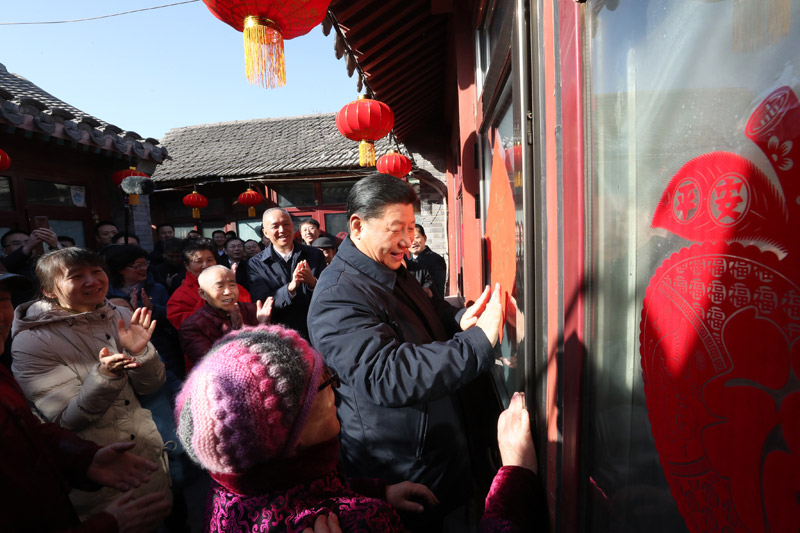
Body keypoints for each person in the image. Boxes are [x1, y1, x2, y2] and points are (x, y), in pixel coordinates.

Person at [175, 326, 543, 533]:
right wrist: (514, 478)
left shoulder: (233, 490)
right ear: (294, 435)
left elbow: (295, 491)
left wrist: (378, 491)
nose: (334, 388)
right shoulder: (356, 523)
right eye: (323, 383)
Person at [307, 173, 504, 531]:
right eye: (397, 228)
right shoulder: (338, 294)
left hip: (441, 447)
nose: (408, 240)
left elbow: (425, 314)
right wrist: (478, 343)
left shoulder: (390, 267)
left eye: (412, 228)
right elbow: (387, 374)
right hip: (404, 466)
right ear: (357, 226)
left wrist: (459, 320)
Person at [10, 247, 172, 522]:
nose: (92, 281)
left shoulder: (115, 313)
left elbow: (151, 385)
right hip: (97, 471)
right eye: (77, 276)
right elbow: (65, 420)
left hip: (144, 454)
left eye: (96, 271)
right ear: (49, 290)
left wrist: (141, 352)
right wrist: (105, 378)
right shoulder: (32, 341)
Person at [248, 208, 326, 339]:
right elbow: (262, 302)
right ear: (265, 233)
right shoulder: (256, 263)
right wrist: (291, 287)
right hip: (279, 333)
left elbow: (329, 292)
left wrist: (312, 282)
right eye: (275, 226)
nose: (282, 230)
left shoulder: (314, 254)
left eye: (286, 224)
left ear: (293, 226)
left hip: (315, 329)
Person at [179, 265, 273, 370]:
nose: (228, 292)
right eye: (220, 286)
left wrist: (264, 326)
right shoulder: (192, 326)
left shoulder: (254, 311)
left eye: (232, 285)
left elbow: (272, 351)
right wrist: (236, 333)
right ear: (202, 294)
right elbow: (210, 365)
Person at [167, 240, 251, 330]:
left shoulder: (235, 288)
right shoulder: (180, 296)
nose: (205, 265)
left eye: (210, 260)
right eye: (199, 261)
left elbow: (249, 312)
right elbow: (187, 326)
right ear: (187, 265)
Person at [1, 228, 61, 305]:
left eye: (27, 241)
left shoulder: (42, 262)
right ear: (4, 250)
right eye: (16, 243)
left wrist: (55, 245)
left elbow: (66, 266)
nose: (23, 245)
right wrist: (27, 247)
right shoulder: (4, 265)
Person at [409, 224, 447, 299]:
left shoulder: (435, 260)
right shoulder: (408, 263)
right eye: (410, 238)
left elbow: (436, 290)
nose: (413, 242)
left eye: (416, 237)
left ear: (424, 238)